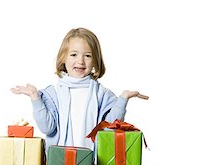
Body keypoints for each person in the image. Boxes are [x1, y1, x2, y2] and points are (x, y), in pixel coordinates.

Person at [11, 27, 148, 152]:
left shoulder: (102, 94)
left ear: (95, 60)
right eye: (73, 55)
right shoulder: (52, 94)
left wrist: (123, 99)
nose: (80, 61)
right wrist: (35, 98)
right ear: (63, 58)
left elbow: (109, 130)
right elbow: (47, 128)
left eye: (87, 56)